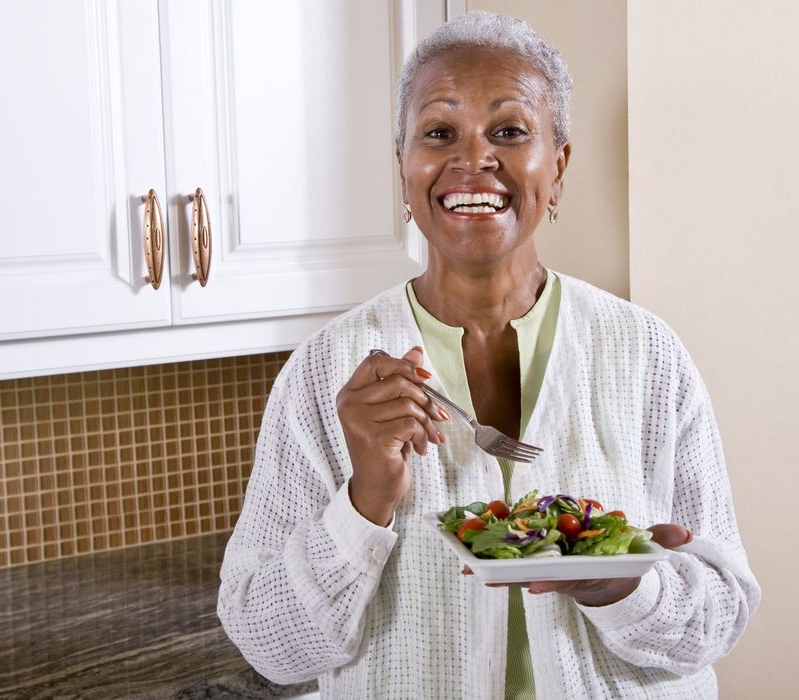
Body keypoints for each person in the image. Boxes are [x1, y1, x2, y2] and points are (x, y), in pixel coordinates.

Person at [217, 11, 759, 699]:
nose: (473, 160)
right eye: (439, 132)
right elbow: (270, 647)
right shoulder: (327, 371)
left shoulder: (647, 354)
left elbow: (720, 614)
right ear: (404, 170)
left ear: (557, 166)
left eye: (509, 131)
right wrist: (365, 502)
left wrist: (630, 586)